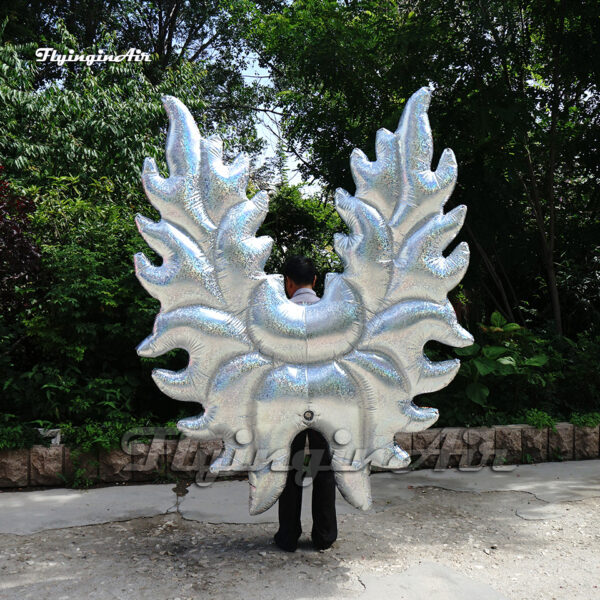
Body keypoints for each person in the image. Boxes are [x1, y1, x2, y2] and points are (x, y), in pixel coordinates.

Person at [273, 255, 338, 552]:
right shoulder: (331, 312)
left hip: (289, 400)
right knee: (324, 465)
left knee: (290, 465)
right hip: (326, 400)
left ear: (287, 282)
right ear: (315, 281)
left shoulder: (278, 313)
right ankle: (324, 536)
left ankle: (288, 536)